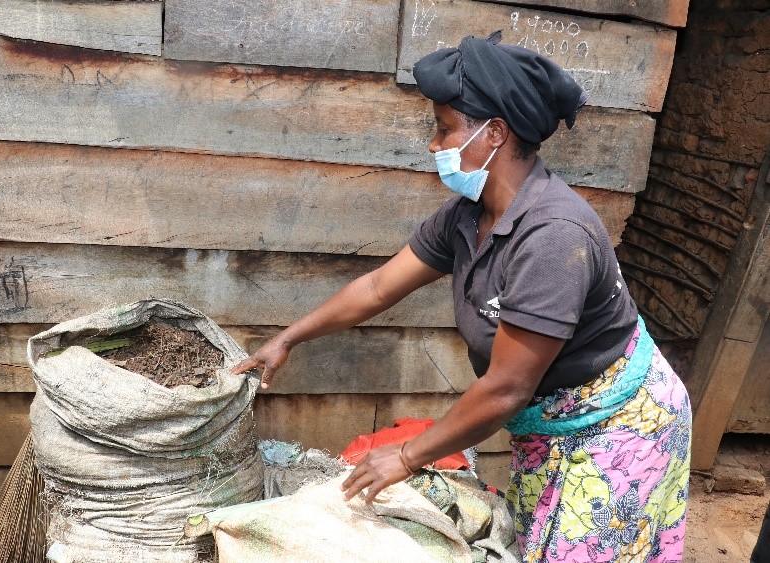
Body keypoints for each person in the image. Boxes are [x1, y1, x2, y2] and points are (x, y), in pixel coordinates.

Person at [231, 32, 692, 562]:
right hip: (549, 420)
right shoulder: (467, 216)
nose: (434, 145)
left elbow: (505, 389)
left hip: (617, 426)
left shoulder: (553, 237)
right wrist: (287, 340)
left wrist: (406, 457)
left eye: (444, 129)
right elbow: (379, 287)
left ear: (494, 133)